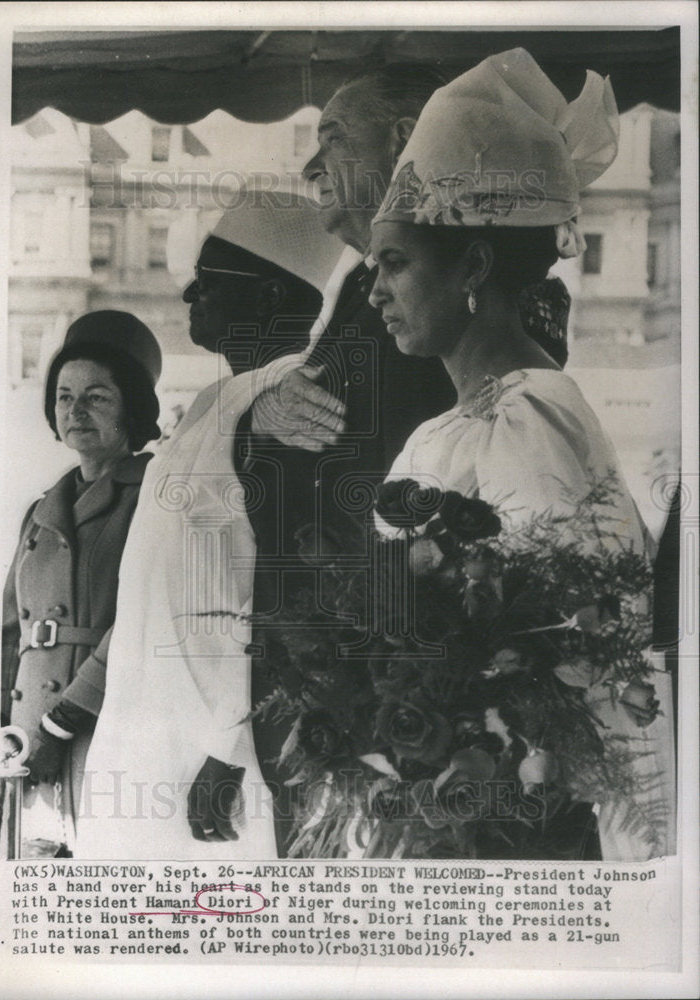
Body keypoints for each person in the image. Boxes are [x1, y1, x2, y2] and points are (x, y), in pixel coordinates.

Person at [242, 64, 573, 856]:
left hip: (416, 707)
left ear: (401, 142)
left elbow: (516, 558)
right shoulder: (361, 298)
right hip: (343, 687)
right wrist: (262, 415)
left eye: (333, 139)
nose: (311, 166)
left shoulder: (498, 337)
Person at [368, 48, 674, 860]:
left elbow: (573, 655)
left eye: (394, 264)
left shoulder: (528, 418)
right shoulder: (454, 424)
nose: (374, 292)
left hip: (513, 821)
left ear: (472, 265)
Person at [75, 195, 343, 859]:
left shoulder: (288, 399)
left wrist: (226, 750)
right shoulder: (214, 401)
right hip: (149, 723)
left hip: (214, 748)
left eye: (210, 282)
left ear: (270, 295)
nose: (190, 294)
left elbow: (280, 594)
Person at [1, 310, 162, 858]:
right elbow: (10, 629)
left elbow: (142, 623)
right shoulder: (40, 510)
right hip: (27, 737)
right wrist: (3, 728)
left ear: (131, 407)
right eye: (64, 397)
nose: (76, 411)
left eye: (97, 397)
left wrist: (61, 724)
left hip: (102, 726)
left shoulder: (155, 495)